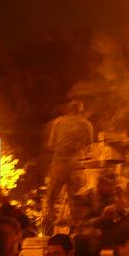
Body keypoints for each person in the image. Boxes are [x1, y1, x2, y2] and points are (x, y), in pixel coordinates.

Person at [43, 99, 94, 232]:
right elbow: (90, 144)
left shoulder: (58, 122)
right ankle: (76, 230)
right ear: (81, 110)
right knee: (76, 199)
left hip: (59, 161)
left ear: (68, 109)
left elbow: (51, 145)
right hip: (76, 163)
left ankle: (47, 229)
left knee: (51, 198)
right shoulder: (86, 124)